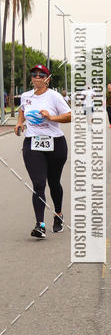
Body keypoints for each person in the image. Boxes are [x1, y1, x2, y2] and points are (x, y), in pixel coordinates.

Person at [15, 64, 71, 238]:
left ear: (47, 79)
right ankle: (40, 225)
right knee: (39, 184)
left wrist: (51, 117)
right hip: (33, 143)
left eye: (41, 75)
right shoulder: (26, 96)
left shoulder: (54, 96)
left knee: (54, 182)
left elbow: (70, 115)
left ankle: (58, 214)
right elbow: (23, 110)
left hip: (56, 144)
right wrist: (19, 123)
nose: (37, 77)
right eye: (34, 74)